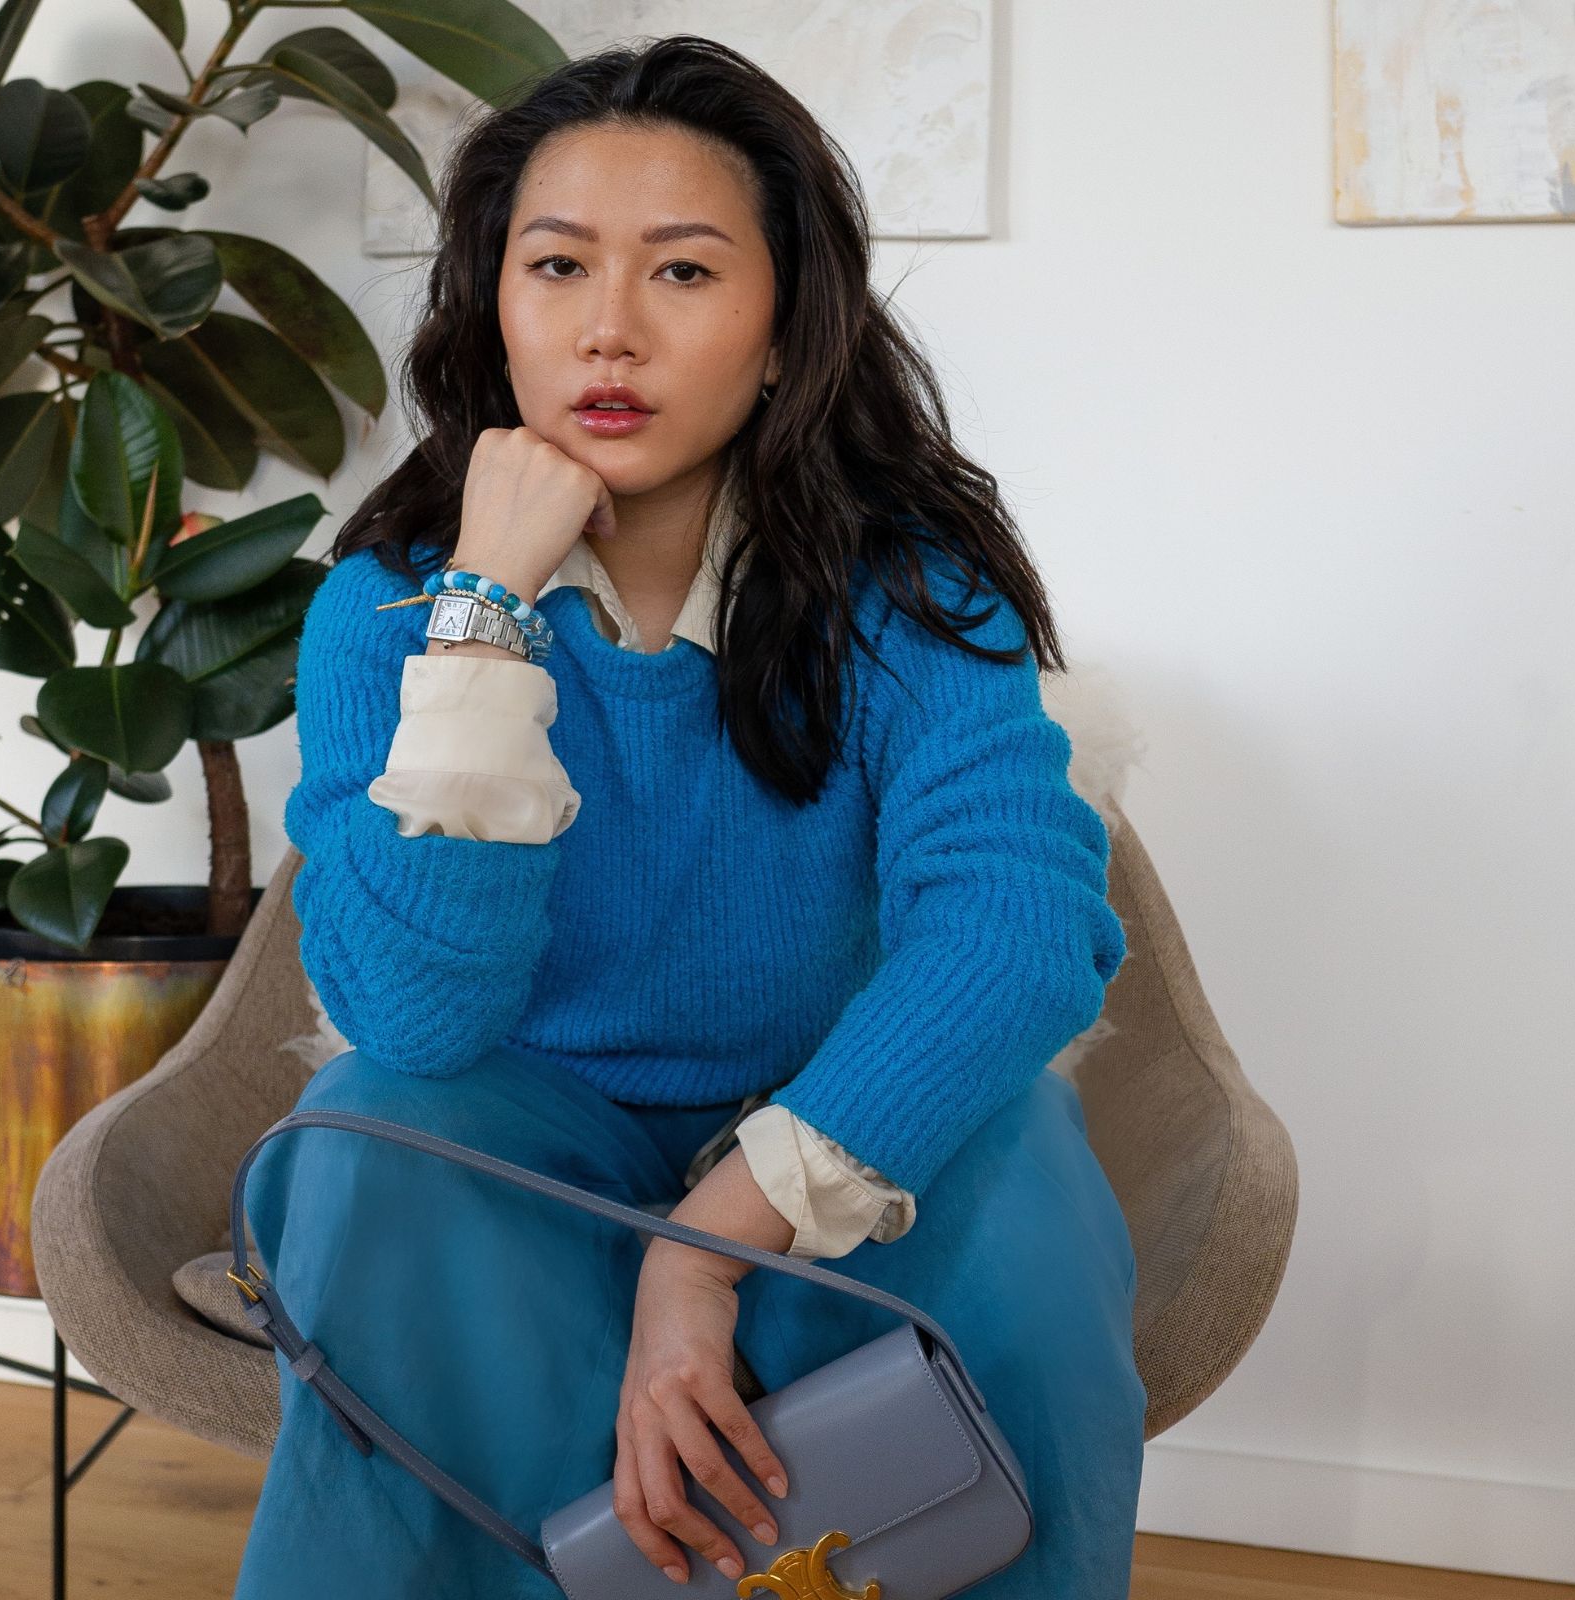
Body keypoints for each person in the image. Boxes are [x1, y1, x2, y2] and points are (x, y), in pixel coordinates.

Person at [233, 33, 1143, 1600]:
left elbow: (1020, 932)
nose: (609, 328)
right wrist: (485, 619)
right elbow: (412, 1020)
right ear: (490, 310)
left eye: (684, 274)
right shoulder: (389, 613)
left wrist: (707, 1243)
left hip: (833, 1133)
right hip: (515, 1163)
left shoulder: (913, 597)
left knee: (1026, 1156)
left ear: (786, 330)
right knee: (381, 1134)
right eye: (559, 265)